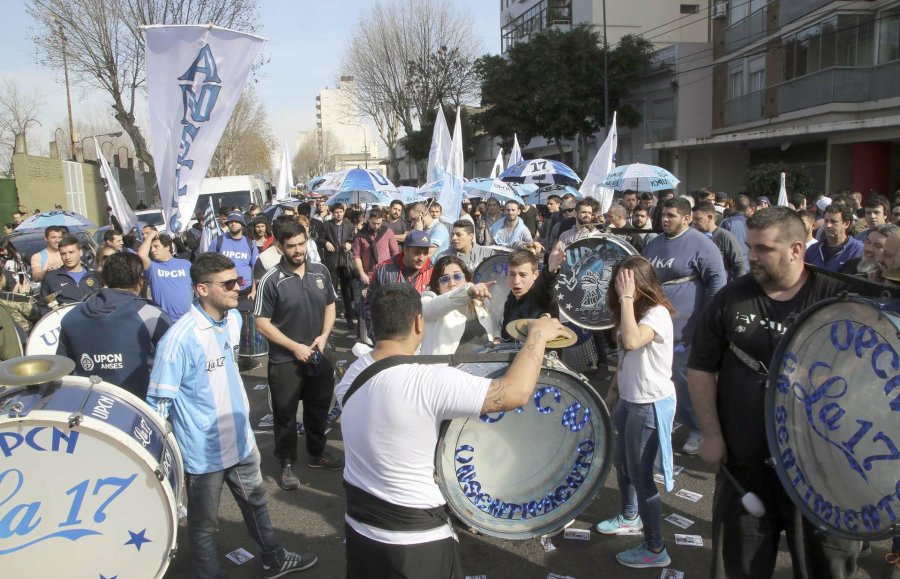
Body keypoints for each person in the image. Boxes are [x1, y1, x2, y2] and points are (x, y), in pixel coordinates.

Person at [336, 283, 568, 579]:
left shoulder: (354, 373)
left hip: (359, 530)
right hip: (415, 544)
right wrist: (537, 335)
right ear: (419, 322)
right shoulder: (428, 382)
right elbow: (515, 393)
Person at [687, 207, 860, 579]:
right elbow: (701, 367)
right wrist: (712, 435)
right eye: (749, 246)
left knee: (824, 569)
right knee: (740, 568)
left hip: (820, 474)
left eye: (763, 248)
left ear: (796, 249)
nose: (750, 256)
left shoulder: (837, 298)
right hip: (744, 465)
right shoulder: (731, 298)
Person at [148, 253, 318, 578]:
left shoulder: (234, 321)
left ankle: (274, 559)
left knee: (257, 506)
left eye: (237, 281)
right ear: (201, 289)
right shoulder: (178, 340)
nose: (237, 288)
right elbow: (159, 405)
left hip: (241, 442)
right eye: (228, 284)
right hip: (203, 454)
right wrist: (164, 462)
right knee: (203, 527)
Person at [595, 256, 676, 569]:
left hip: (650, 403)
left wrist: (627, 298)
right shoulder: (629, 311)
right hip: (630, 399)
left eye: (626, 282)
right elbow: (625, 356)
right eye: (617, 283)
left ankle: (656, 549)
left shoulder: (656, 313)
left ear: (642, 283)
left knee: (642, 476)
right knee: (621, 462)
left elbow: (632, 340)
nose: (620, 288)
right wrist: (614, 392)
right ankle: (630, 517)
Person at [255, 220, 343, 488]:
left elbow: (330, 305)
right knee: (285, 415)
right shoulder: (271, 280)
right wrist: (294, 347)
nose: (298, 250)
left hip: (318, 356)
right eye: (291, 246)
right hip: (285, 361)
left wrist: (324, 335)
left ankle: (317, 453)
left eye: (302, 244)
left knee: (318, 410)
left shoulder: (321, 272)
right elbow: (261, 322)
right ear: (279, 247)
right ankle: (286, 463)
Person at [642, 197, 726, 455]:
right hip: (656, 329)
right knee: (659, 380)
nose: (665, 219)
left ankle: (699, 428)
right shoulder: (653, 244)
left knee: (685, 381)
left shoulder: (702, 244)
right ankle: (671, 420)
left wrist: (707, 321)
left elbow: (717, 281)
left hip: (688, 331)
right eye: (663, 215)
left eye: (671, 215)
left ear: (687, 218)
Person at [57, 252, 171, 399]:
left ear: (104, 279)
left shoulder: (71, 316)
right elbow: (175, 369)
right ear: (139, 280)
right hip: (139, 411)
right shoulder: (152, 316)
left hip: (88, 408)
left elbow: (63, 369)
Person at [420, 256, 498, 355]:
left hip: (481, 367)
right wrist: (467, 292)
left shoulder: (481, 302)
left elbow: (495, 328)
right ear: (437, 285)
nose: (452, 283)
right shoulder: (427, 300)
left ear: (466, 279)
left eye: (457, 276)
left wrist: (497, 338)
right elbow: (430, 308)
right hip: (444, 368)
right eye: (444, 279)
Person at [499, 249, 559, 341]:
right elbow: (506, 334)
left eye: (523, 275)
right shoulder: (511, 297)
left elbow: (546, 285)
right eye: (512, 274)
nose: (516, 281)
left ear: (535, 275)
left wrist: (550, 270)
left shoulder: (541, 295)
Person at [139, 230, 193, 323]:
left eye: (156, 246)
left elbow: (197, 288)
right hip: (165, 321)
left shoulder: (186, 264)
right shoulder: (152, 267)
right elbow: (141, 256)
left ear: (167, 247)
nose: (152, 250)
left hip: (188, 320)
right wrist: (151, 236)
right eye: (151, 247)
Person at [39, 235, 100, 313]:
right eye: (63, 254)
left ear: (80, 252)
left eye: (71, 252)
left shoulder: (95, 276)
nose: (67, 257)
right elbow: (43, 307)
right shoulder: (51, 278)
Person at [322, 203, 357, 328]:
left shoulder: (350, 225)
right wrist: (325, 242)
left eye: (341, 212)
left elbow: (354, 240)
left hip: (345, 262)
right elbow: (319, 239)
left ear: (344, 212)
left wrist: (350, 245)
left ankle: (349, 318)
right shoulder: (326, 225)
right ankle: (329, 319)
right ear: (332, 213)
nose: (339, 214)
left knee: (346, 291)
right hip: (331, 261)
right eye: (336, 212)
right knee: (331, 291)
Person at [692, 202, 747, 281]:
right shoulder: (695, 236)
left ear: (709, 218)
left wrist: (737, 289)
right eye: (693, 219)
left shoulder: (725, 237)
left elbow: (739, 266)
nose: (694, 222)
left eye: (698, 219)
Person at [369, 230, 434, 294]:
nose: (421, 258)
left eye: (425, 253)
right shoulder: (383, 270)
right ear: (405, 250)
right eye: (416, 252)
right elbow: (369, 301)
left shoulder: (432, 272)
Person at [805, 204, 863, 272]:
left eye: (833, 222)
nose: (828, 225)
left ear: (846, 224)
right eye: (826, 221)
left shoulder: (858, 250)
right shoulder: (813, 249)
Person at [213, 212, 258, 298]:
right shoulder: (218, 241)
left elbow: (255, 268)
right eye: (231, 222)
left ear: (242, 224)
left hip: (246, 290)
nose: (233, 224)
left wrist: (254, 290)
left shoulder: (250, 243)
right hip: (225, 289)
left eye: (236, 221)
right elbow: (210, 265)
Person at [721, 194, 752, 270]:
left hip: (732, 266)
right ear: (748, 208)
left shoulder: (726, 222)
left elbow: (721, 244)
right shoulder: (753, 223)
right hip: (749, 264)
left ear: (734, 205)